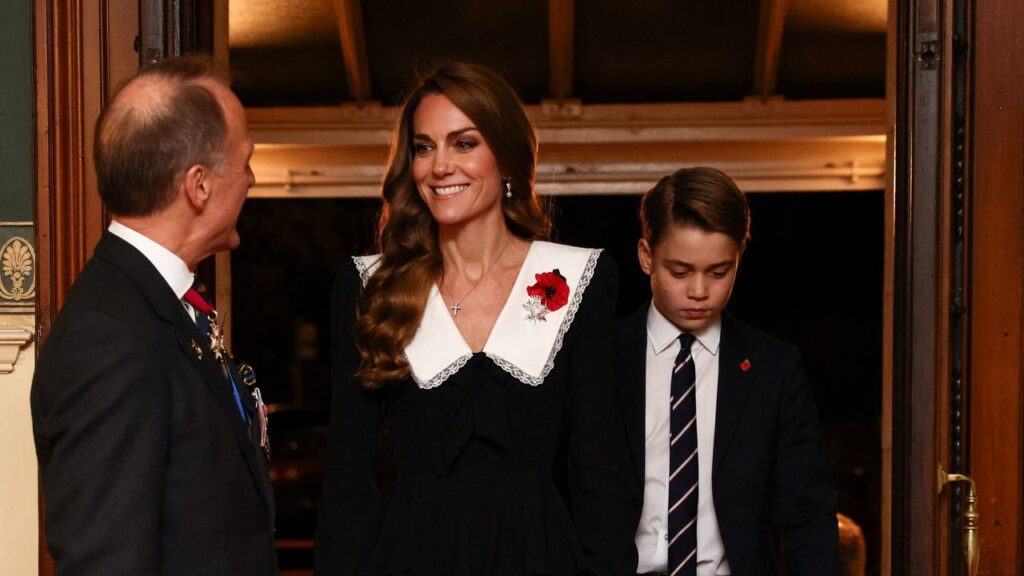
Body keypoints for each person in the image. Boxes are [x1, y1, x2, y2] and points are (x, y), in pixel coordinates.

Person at [314, 62, 635, 576]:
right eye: (424, 147)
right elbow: (348, 483)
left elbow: (600, 476)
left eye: (464, 144)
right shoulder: (371, 284)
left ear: (506, 158)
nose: (440, 166)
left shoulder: (578, 278)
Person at [31, 56, 278, 576]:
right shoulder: (111, 335)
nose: (251, 179)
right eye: (245, 160)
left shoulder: (158, 304)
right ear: (199, 185)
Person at [616, 167, 839, 576]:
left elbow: (807, 513)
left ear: (738, 258)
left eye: (719, 272)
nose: (699, 291)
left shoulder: (774, 370)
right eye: (679, 272)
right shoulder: (602, 359)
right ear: (646, 257)